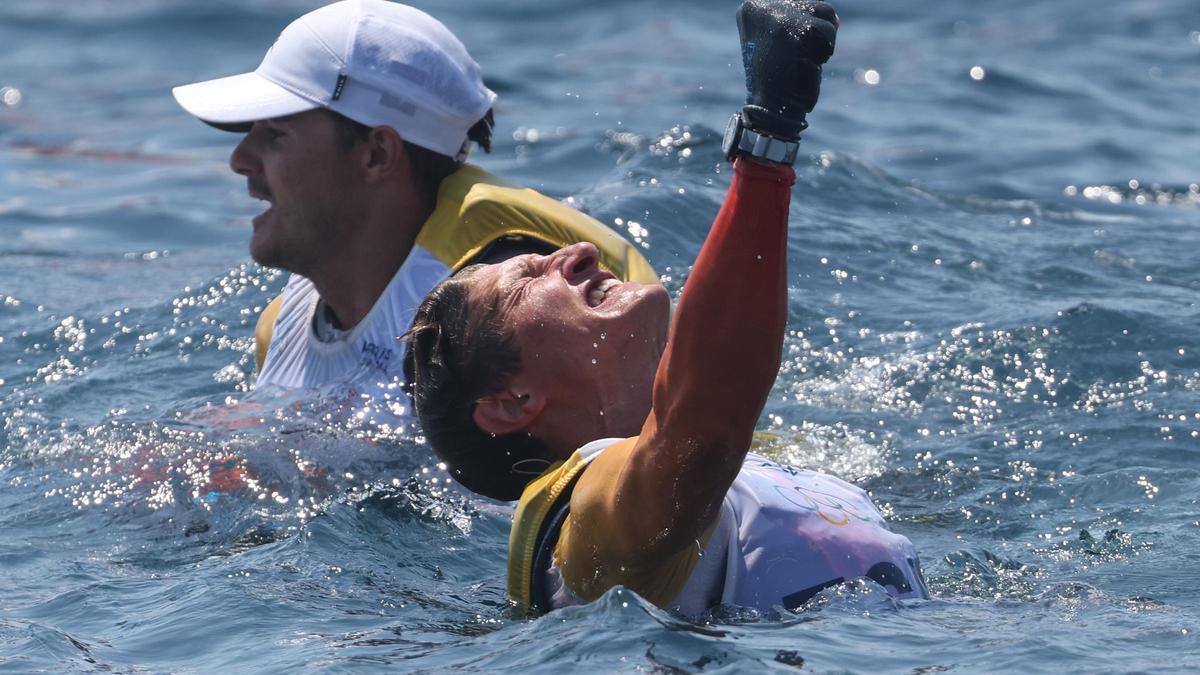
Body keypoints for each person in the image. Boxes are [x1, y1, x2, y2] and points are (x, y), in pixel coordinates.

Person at [406, 0, 929, 615]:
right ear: (511, 402)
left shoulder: (761, 467)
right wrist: (768, 140)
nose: (574, 252)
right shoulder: (592, 525)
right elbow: (698, 436)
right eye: (527, 280)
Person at [171, 0, 656, 405]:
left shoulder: (512, 310)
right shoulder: (282, 330)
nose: (240, 159)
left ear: (377, 154)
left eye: (274, 135)